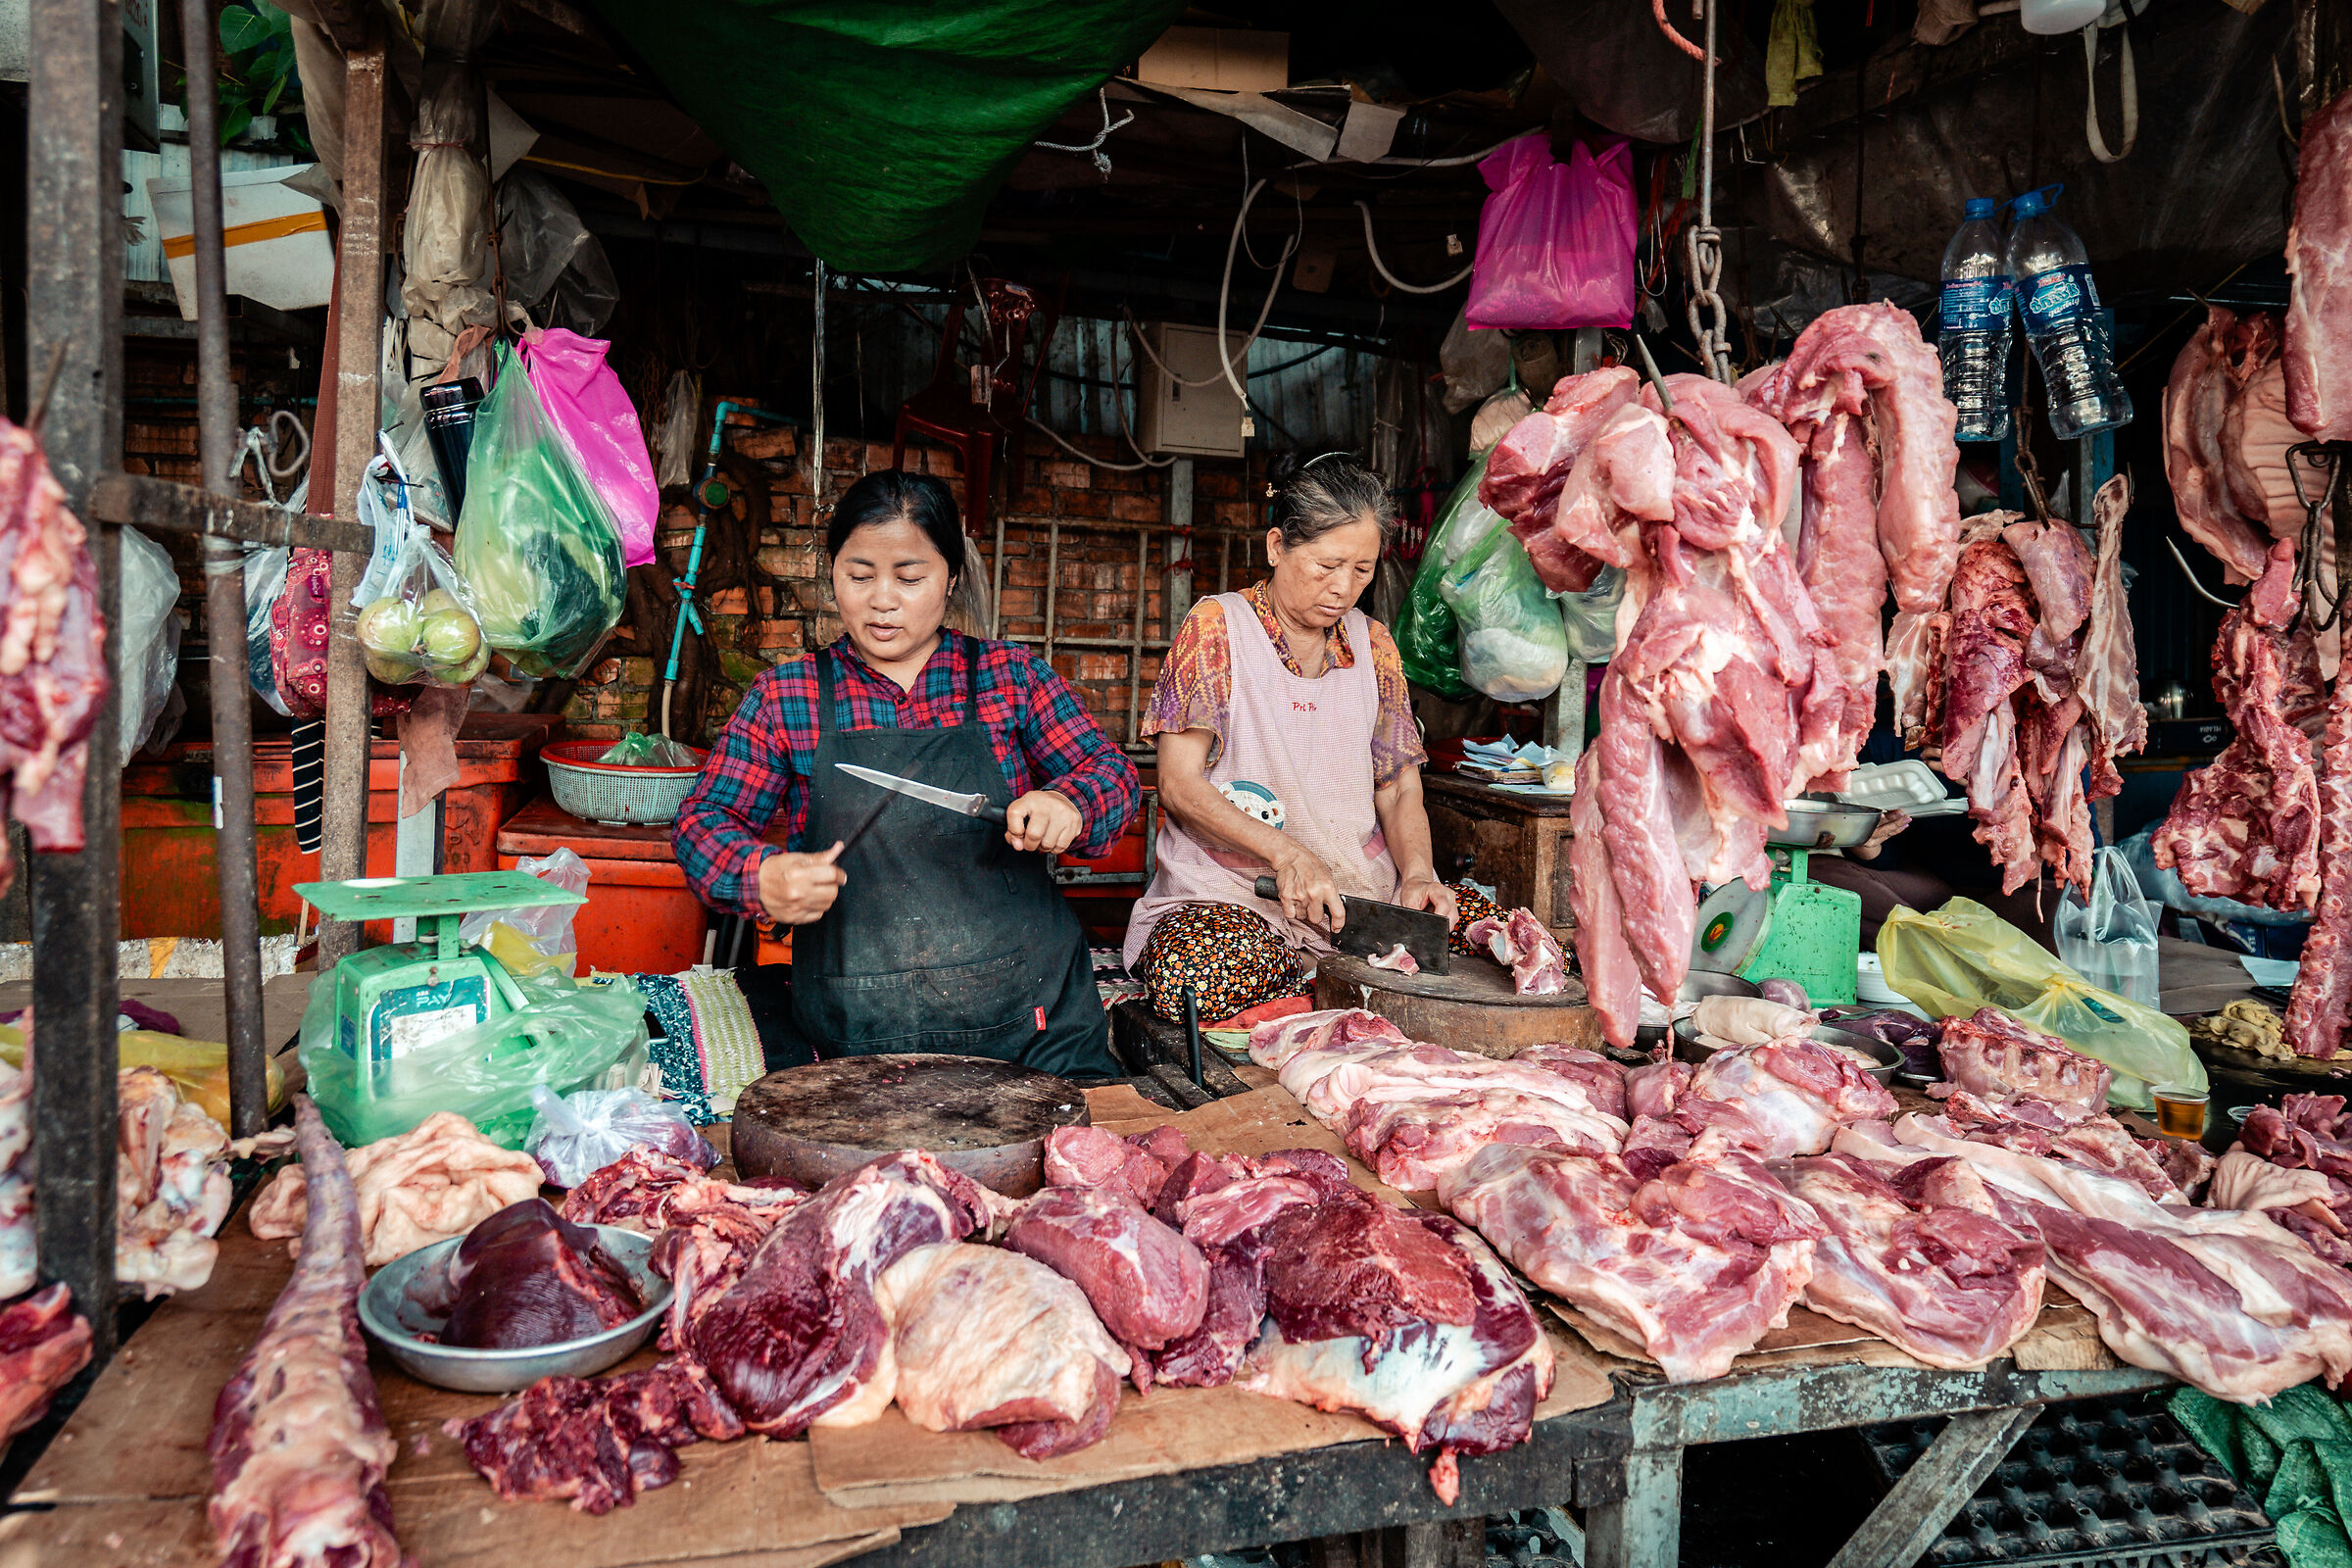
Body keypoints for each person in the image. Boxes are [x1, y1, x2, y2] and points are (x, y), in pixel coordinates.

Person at [671, 469, 1141, 1075]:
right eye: (859, 576)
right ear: (833, 572)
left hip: (1031, 1019)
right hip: (856, 1029)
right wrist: (757, 874)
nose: (882, 599)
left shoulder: (1011, 677)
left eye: (910, 577)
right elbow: (704, 820)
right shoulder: (787, 695)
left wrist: (1070, 804)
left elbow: (1112, 775)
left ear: (951, 578)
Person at [1121, 453, 1455, 1022]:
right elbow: (1177, 785)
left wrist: (1419, 873)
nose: (1343, 588)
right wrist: (1287, 855)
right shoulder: (1216, 628)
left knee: (1483, 935)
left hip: (1356, 899)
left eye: (1362, 570)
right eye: (1326, 566)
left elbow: (1399, 788)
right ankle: (1318, 998)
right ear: (1277, 547)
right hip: (1233, 893)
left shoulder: (1373, 644)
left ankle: (1323, 991)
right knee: (1202, 973)